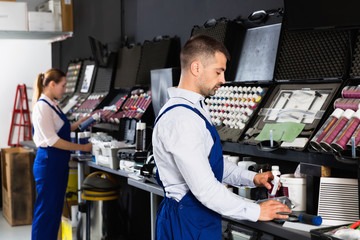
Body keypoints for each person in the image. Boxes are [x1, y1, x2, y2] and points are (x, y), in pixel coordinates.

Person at [152, 35, 291, 239]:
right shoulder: (181, 119)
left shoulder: (195, 108)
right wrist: (257, 211)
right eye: (219, 72)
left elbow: (211, 163)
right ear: (196, 68)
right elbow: (206, 190)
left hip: (198, 221)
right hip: (186, 225)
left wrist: (252, 178)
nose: (223, 80)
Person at [31, 68, 92, 240]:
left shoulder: (53, 104)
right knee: (45, 214)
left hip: (58, 164)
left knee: (55, 211)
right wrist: (83, 148)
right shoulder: (42, 107)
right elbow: (52, 140)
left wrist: (79, 123)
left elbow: (60, 129)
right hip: (49, 163)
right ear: (52, 84)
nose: (64, 89)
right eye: (63, 85)